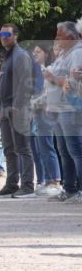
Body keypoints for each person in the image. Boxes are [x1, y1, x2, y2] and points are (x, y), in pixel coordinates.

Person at [0, 23, 36, 198]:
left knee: (23, 148)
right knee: (8, 149)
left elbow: (25, 85)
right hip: (4, 109)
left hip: (17, 109)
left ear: (15, 36)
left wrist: (18, 107)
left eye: (7, 34)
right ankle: (11, 184)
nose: (3, 37)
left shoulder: (21, 56)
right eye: (1, 34)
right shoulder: (7, 56)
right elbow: (3, 85)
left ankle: (27, 186)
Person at [43, 21, 82, 203]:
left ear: (70, 37)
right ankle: (69, 188)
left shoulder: (77, 53)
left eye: (59, 35)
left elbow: (72, 84)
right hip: (58, 109)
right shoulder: (64, 54)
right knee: (64, 150)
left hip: (70, 108)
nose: (56, 38)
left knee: (75, 149)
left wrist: (52, 79)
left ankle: (79, 189)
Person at [30, 44, 62, 197]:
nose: (34, 54)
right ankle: (47, 180)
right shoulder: (37, 70)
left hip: (47, 113)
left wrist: (34, 102)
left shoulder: (50, 69)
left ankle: (55, 181)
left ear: (45, 53)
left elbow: (49, 93)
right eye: (34, 52)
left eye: (38, 51)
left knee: (48, 147)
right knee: (40, 148)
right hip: (37, 113)